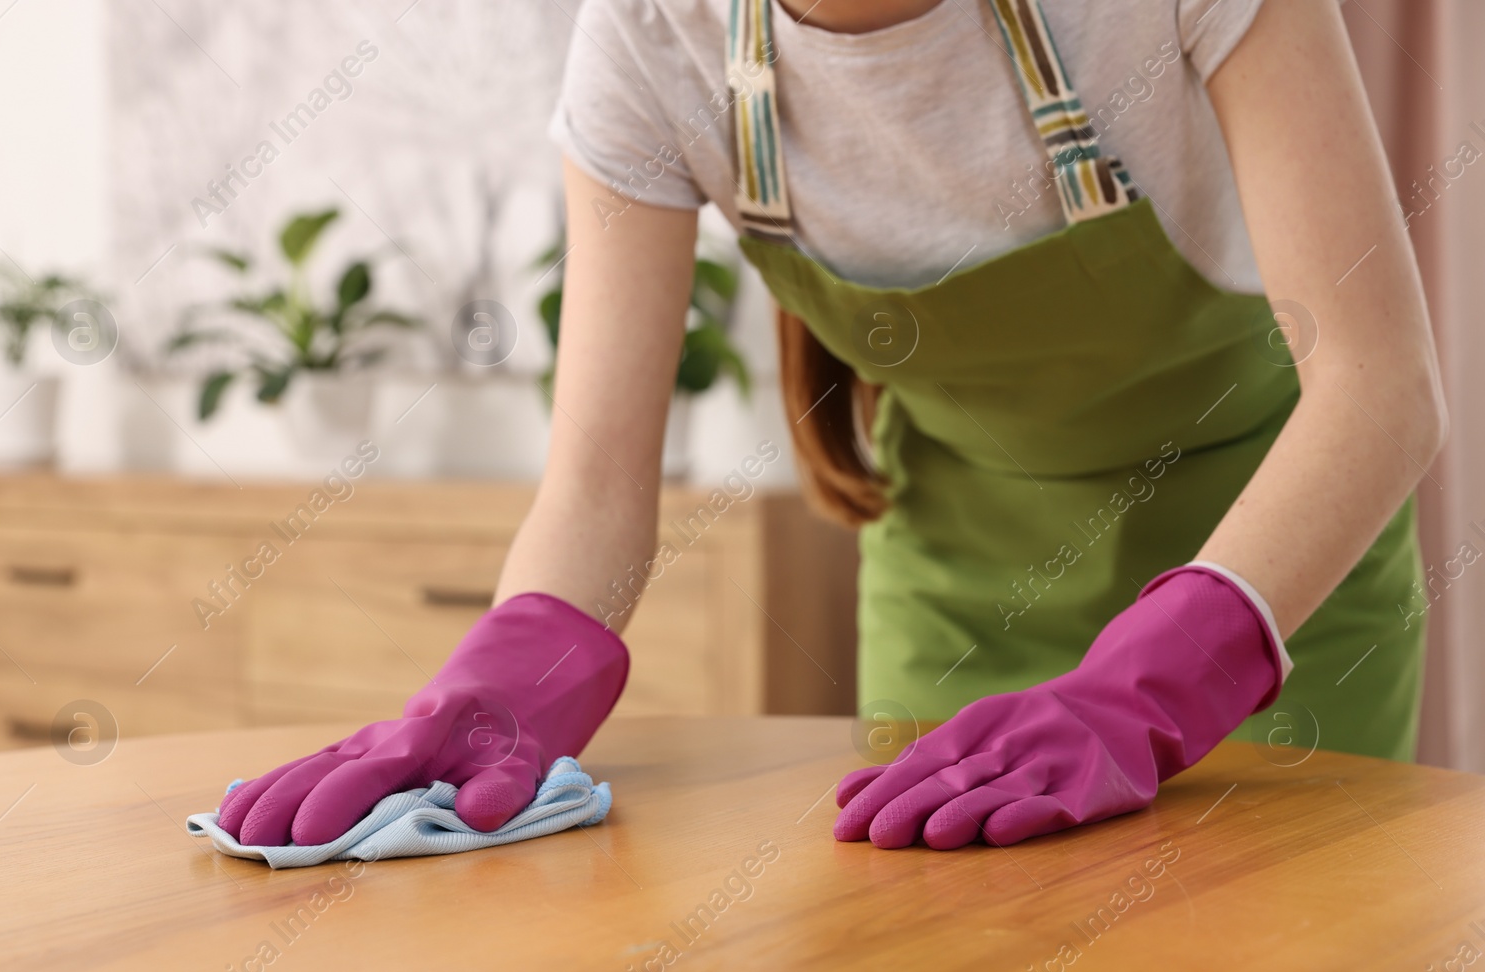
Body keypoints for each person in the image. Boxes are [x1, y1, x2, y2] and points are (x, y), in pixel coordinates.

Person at [217, 0, 1446, 852]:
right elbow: (593, 491)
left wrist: (1152, 682)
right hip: (960, 576)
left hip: (1269, 582)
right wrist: (494, 684)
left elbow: (1379, 386)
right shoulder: (652, 38)